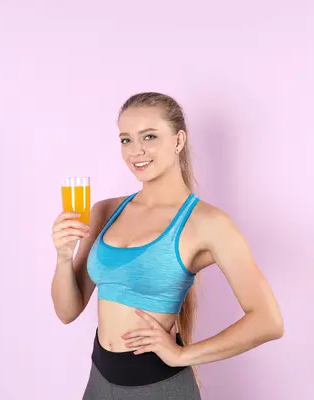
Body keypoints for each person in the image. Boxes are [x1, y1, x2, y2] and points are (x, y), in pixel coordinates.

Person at [50, 92, 284, 400]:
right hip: (98, 382)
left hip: (159, 388)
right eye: (126, 140)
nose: (136, 151)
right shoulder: (105, 211)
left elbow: (268, 321)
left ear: (178, 140)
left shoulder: (208, 223)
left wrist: (184, 356)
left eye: (149, 136)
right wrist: (64, 256)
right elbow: (67, 312)